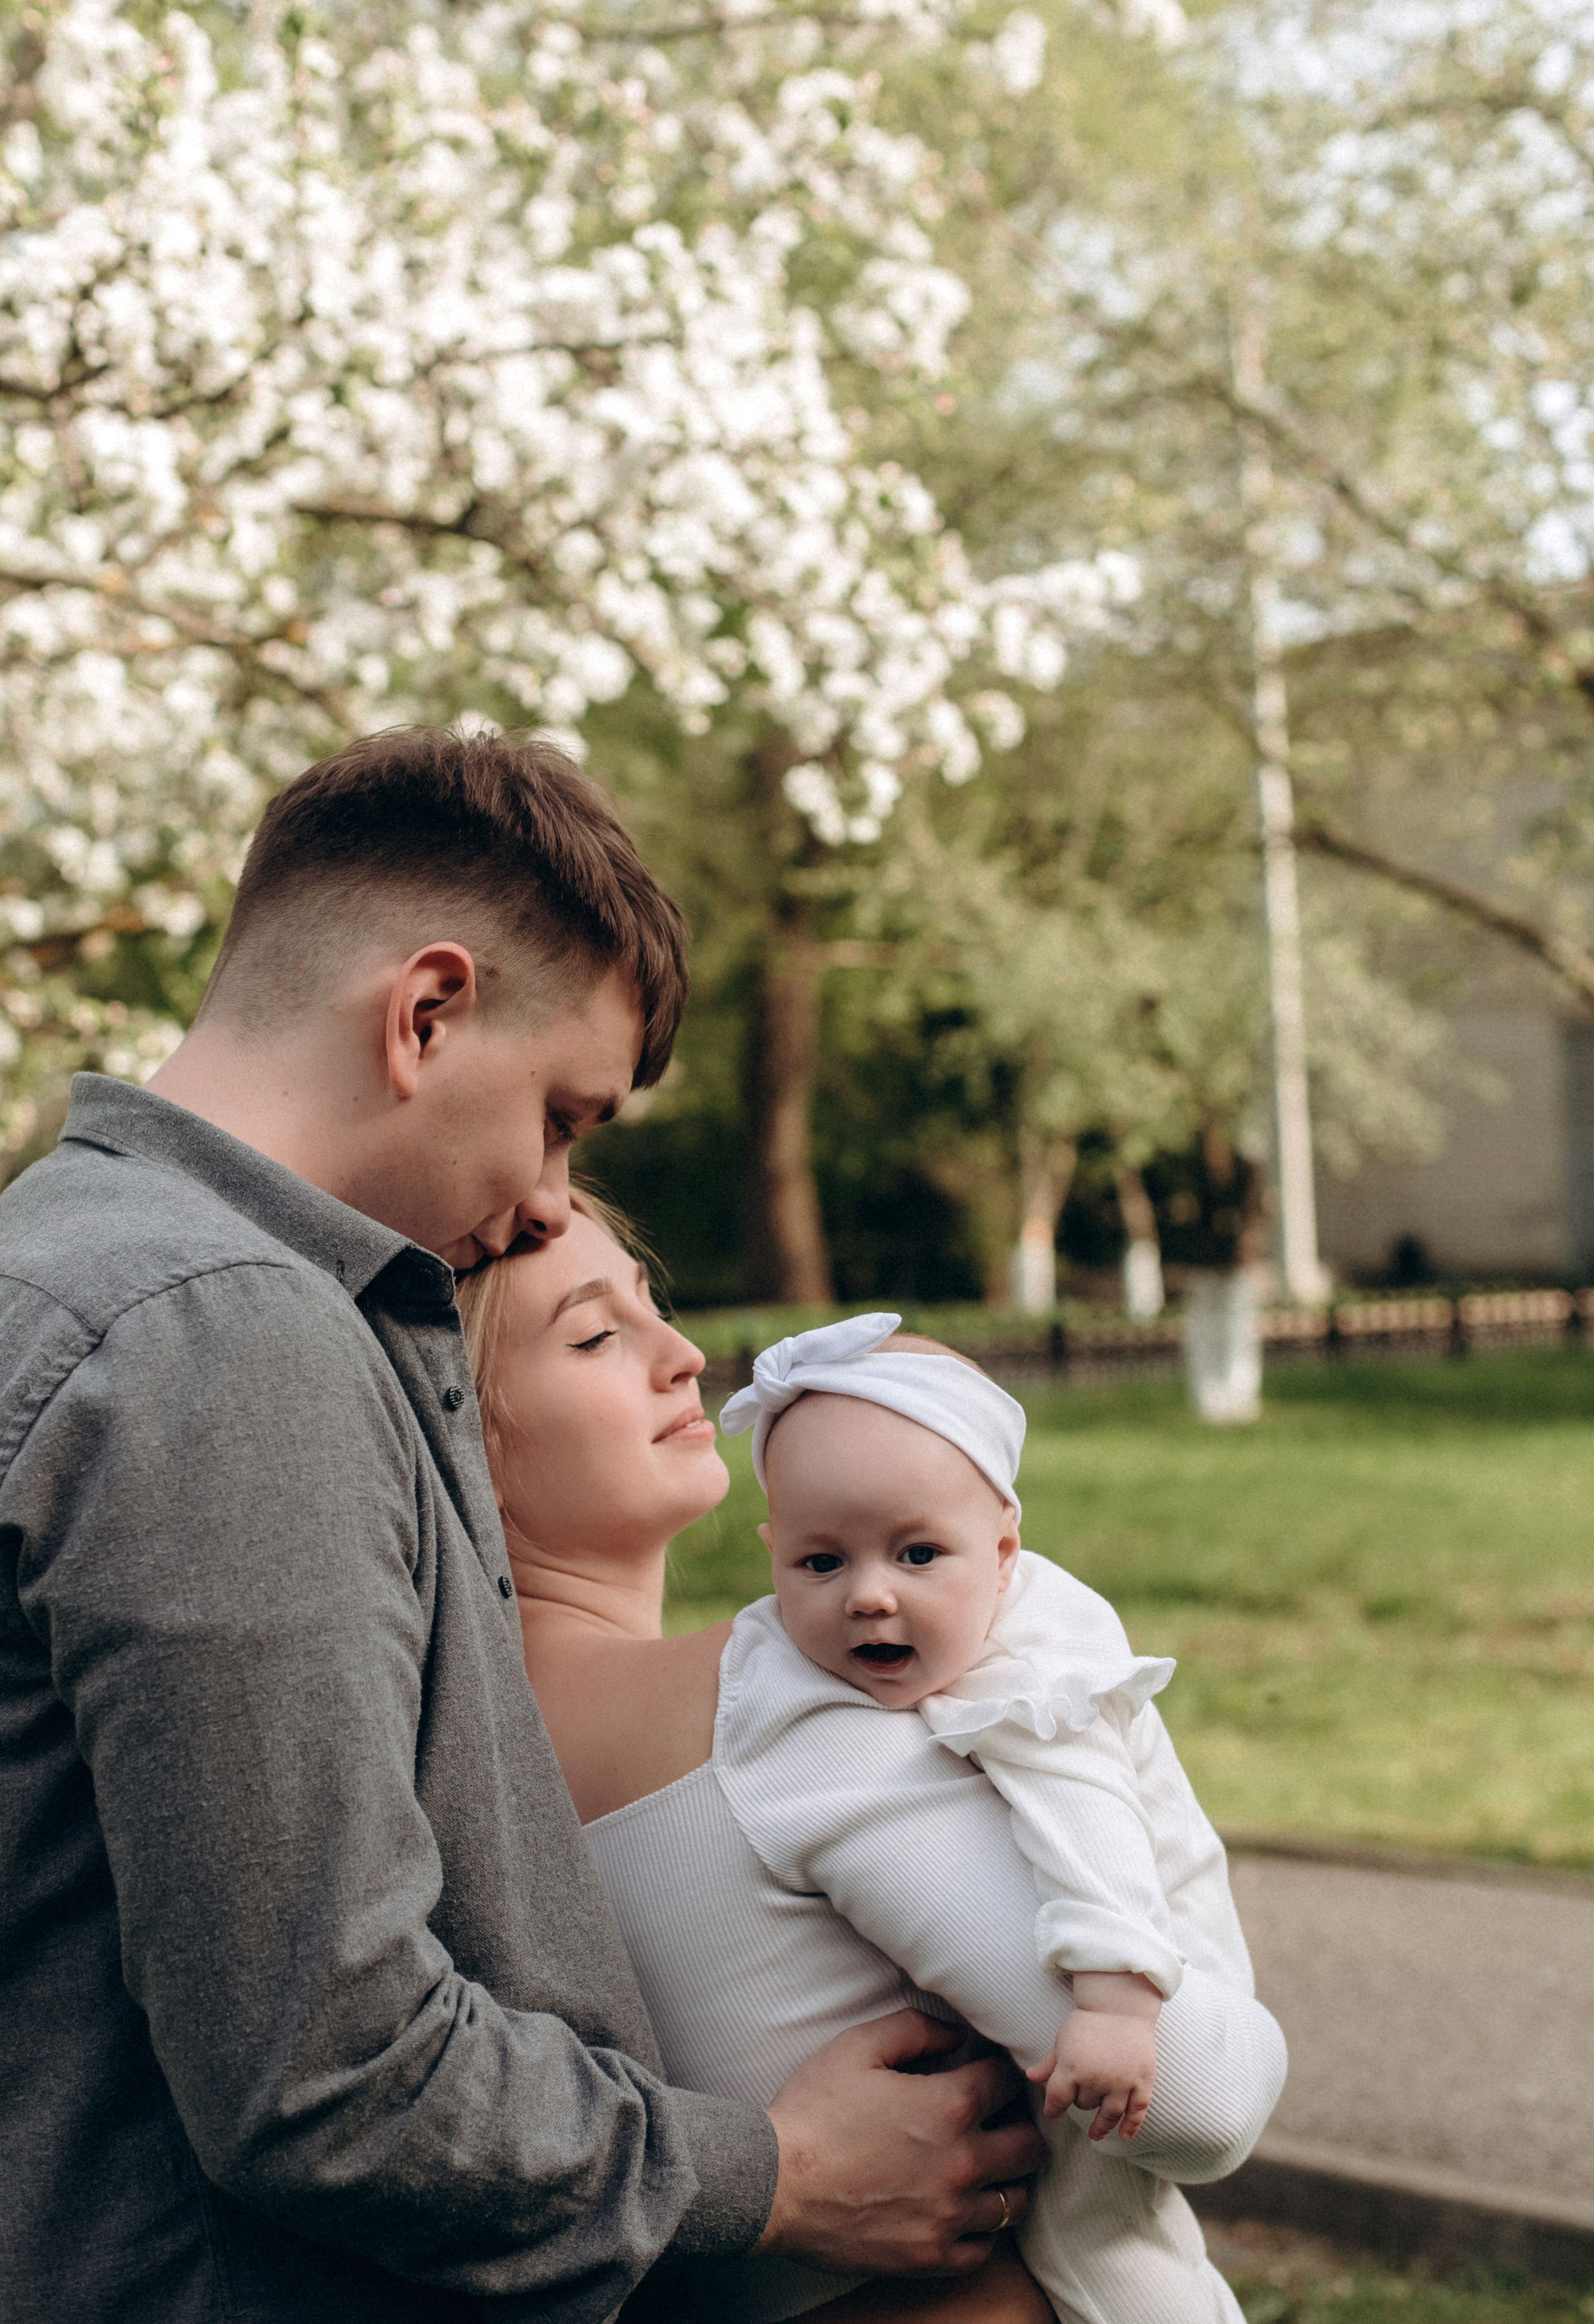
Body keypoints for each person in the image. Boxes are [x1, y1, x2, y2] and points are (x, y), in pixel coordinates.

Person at [0, 728, 1044, 2324]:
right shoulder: (225, 1332)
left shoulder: (55, 1263)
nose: (554, 1198)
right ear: (424, 1014)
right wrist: (776, 2174)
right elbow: (328, 2071)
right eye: (562, 1116)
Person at [457, 1202, 1286, 2323]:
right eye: (597, 1335)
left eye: (654, 1306)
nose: (685, 1356)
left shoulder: (451, 1758)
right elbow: (1202, 2097)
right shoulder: (784, 1705)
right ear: (456, 1424)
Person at [720, 1314, 1284, 2321]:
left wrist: (1115, 2001)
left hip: (1146, 1936)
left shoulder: (1035, 1664)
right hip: (1087, 1944)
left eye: (918, 1552)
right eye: (820, 1563)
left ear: (1005, 1550)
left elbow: (1090, 1826)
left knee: (1103, 2221)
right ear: (772, 1552)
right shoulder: (792, 1648)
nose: (870, 1597)